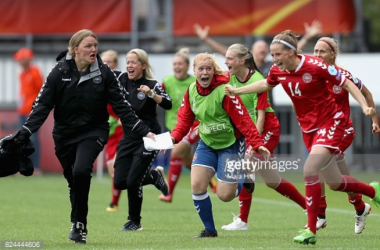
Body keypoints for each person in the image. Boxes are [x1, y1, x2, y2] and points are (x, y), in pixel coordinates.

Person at [224, 30, 380, 245]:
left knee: (309, 170)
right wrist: (237, 91)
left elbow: (348, 84)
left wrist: (365, 107)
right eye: (272, 54)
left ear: (291, 52)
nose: (274, 59)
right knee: (334, 183)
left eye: (278, 54)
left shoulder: (315, 66)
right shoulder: (278, 71)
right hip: (309, 129)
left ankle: (311, 227)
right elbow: (265, 84)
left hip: (332, 123)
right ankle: (373, 190)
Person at [12, 29, 157, 244]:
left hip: (94, 132)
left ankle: (79, 225)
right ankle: (77, 221)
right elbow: (42, 106)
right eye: (88, 46)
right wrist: (25, 132)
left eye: (95, 45)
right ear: (75, 49)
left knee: (81, 170)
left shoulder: (105, 72)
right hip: (64, 135)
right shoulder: (58, 71)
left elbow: (122, 107)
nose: (94, 49)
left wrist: (145, 130)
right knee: (73, 180)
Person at [170, 52, 270, 238]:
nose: (205, 72)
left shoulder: (224, 90)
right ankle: (209, 230)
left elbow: (244, 121)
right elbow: (184, 121)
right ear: (195, 72)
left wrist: (256, 143)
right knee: (197, 185)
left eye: (209, 68)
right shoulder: (191, 90)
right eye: (201, 69)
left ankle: (245, 179)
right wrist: (173, 138)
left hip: (231, 144)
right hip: (207, 144)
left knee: (224, 195)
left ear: (214, 71)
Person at [221, 43, 306, 231]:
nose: (225, 62)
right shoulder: (229, 78)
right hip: (251, 133)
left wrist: (253, 145)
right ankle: (309, 207)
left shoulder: (258, 79)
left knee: (246, 166)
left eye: (229, 58)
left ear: (241, 61)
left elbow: (260, 117)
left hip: (267, 130)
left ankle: (242, 220)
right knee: (272, 180)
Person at [311, 37, 380, 233]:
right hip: (322, 131)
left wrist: (373, 119)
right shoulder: (313, 76)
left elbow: (366, 93)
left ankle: (321, 215)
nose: (317, 55)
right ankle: (360, 207)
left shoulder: (342, 75)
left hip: (342, 131)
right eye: (315, 51)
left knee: (316, 166)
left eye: (322, 51)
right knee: (342, 178)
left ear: (333, 54)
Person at [113, 48, 172, 231]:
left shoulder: (152, 84)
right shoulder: (122, 79)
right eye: (128, 62)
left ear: (143, 65)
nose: (129, 65)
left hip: (150, 138)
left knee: (133, 181)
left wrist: (152, 95)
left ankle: (134, 221)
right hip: (129, 136)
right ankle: (154, 177)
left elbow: (168, 103)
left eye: (133, 62)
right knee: (119, 182)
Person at [158, 48, 216, 203]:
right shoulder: (167, 81)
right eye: (174, 64)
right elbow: (160, 100)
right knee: (186, 160)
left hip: (195, 125)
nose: (177, 67)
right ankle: (212, 182)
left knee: (175, 152)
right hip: (175, 126)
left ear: (188, 66)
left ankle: (168, 192)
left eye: (180, 64)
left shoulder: (195, 81)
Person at [100, 50, 124, 212]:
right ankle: (115, 202)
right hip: (108, 133)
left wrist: (125, 116)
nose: (107, 65)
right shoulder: (96, 82)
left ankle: (114, 203)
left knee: (117, 166)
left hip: (123, 130)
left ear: (115, 64)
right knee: (112, 170)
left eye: (110, 62)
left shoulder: (122, 82)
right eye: (104, 62)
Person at [13, 47, 43, 174]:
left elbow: (42, 91)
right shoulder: (22, 74)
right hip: (22, 111)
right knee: (21, 140)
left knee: (34, 138)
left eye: (21, 59)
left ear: (27, 60)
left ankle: (35, 167)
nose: (19, 62)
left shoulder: (35, 72)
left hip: (33, 112)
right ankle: (23, 167)